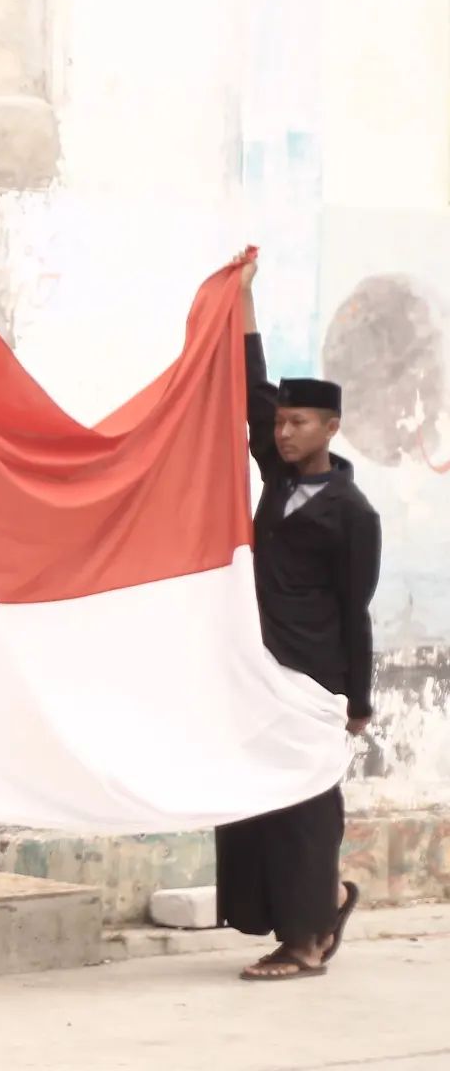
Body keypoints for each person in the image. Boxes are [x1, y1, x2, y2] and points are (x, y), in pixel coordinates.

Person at [216, 253, 382, 981]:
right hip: (261, 668)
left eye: (299, 422)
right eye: (280, 423)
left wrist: (359, 700)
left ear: (331, 427)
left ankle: (307, 941)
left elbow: (358, 611)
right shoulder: (278, 481)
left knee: (307, 809)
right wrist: (243, 302)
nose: (283, 433)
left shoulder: (353, 514)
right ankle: (322, 905)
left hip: (316, 678)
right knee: (259, 799)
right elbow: (250, 389)